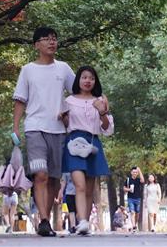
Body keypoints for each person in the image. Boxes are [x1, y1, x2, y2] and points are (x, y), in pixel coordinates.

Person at [12, 26, 76, 237]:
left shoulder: (64, 69)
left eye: (54, 39)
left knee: (54, 179)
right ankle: (45, 220)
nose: (52, 42)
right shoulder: (28, 70)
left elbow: (78, 94)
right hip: (34, 128)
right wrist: (15, 128)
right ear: (36, 44)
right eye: (47, 39)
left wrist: (70, 115)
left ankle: (44, 221)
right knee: (41, 174)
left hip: (58, 131)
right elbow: (20, 100)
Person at [61, 66, 113, 235]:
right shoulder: (68, 101)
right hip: (74, 144)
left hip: (93, 144)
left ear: (95, 81)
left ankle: (84, 224)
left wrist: (102, 112)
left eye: (91, 78)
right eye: (84, 77)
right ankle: (82, 221)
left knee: (90, 189)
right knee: (79, 185)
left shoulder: (99, 100)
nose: (87, 81)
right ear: (78, 80)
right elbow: (65, 126)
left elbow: (107, 129)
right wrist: (64, 118)